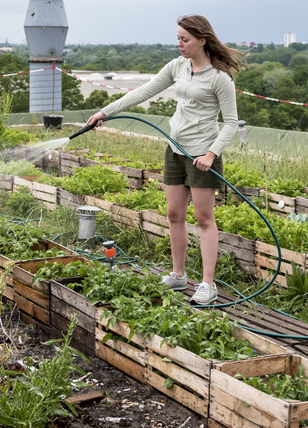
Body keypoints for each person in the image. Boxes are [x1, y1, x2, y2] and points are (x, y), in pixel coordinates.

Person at [86, 15, 242, 305]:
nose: (180, 44)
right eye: (178, 39)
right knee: (174, 215)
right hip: (175, 150)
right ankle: (179, 274)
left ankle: (208, 285)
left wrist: (211, 153)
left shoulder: (220, 78)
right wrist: (105, 112)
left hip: (202, 156)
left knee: (204, 219)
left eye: (185, 39)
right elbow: (144, 91)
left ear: (202, 40)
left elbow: (231, 123)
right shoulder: (177, 66)